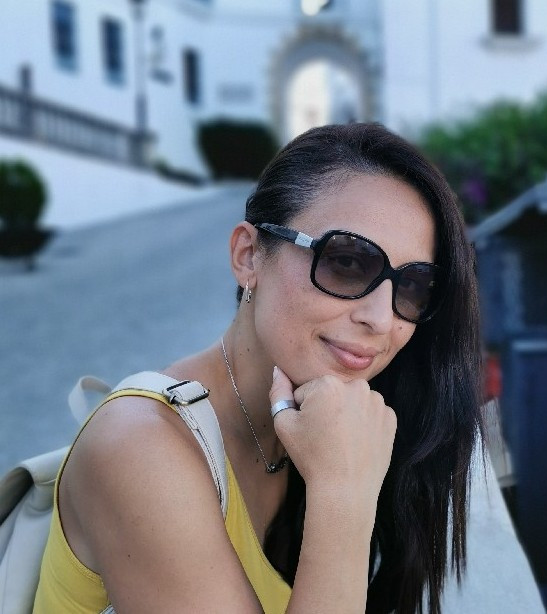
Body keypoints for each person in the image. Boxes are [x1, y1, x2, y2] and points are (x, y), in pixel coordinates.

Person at [34, 122, 482, 613]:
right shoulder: (140, 448)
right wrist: (343, 495)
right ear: (248, 256)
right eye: (348, 262)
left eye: (413, 286)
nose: (380, 318)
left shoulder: (323, 426)